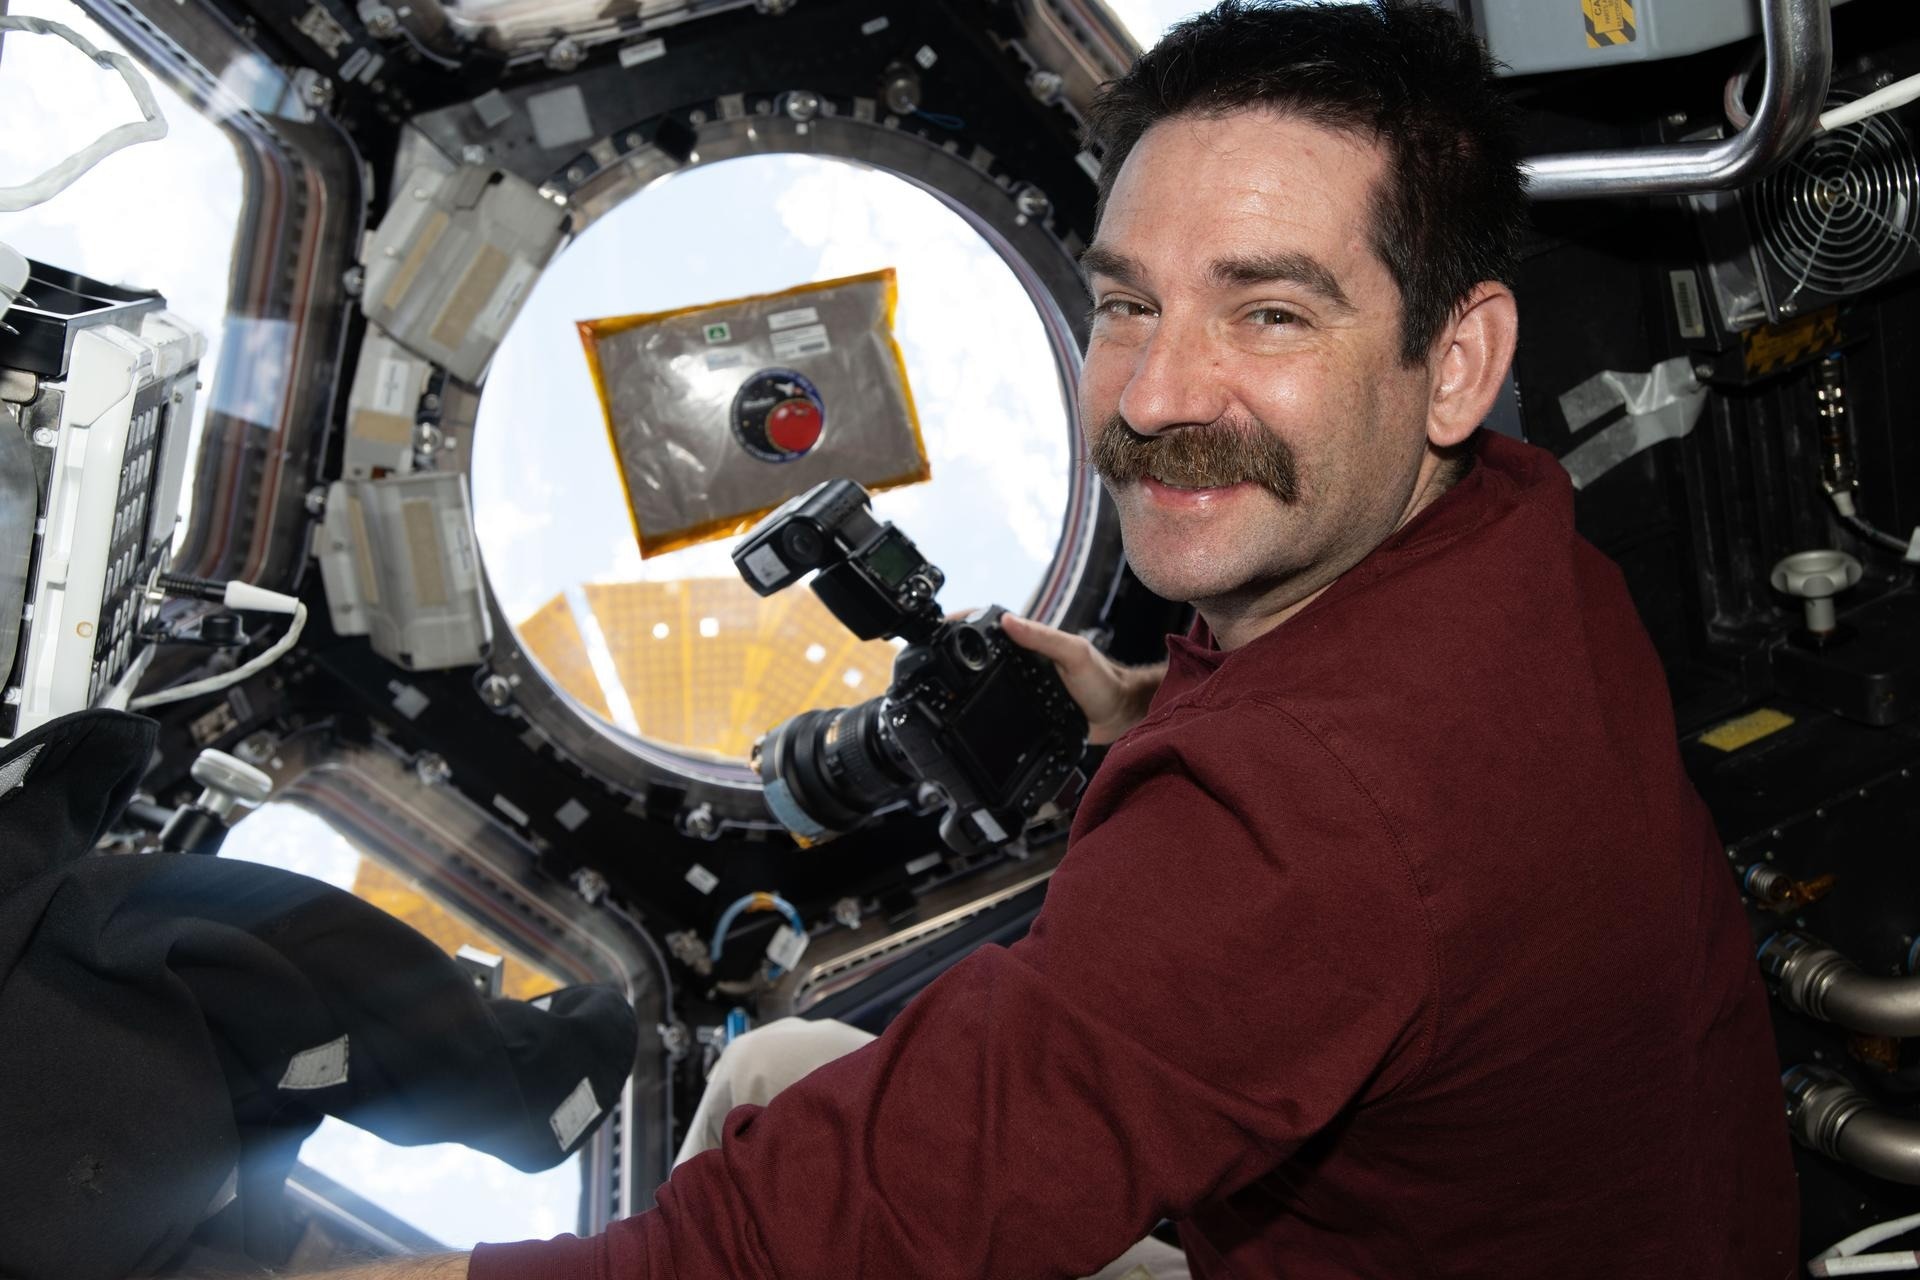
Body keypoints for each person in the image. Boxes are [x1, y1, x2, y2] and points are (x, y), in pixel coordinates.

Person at [326, 2, 1800, 1276]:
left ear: (1456, 358)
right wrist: (1133, 701)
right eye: (1123, 303)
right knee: (782, 1065)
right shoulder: (1508, 538)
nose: (1155, 394)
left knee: (773, 1131)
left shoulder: (1292, 833)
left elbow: (760, 1255)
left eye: (1270, 314)